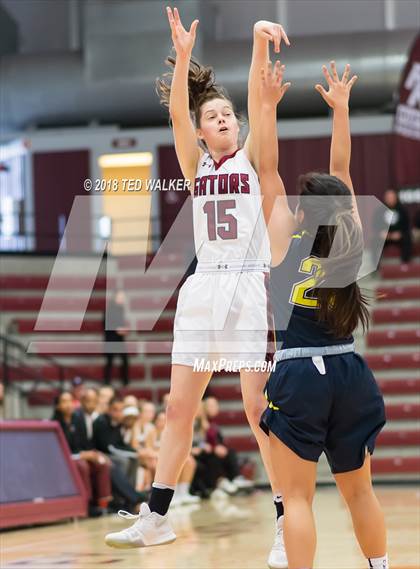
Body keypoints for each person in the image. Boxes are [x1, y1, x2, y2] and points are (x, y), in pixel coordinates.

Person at [105, 12, 289, 564]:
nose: (224, 118)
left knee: (257, 410)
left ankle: (286, 517)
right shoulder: (194, 165)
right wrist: (182, 54)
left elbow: (260, 98)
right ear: (203, 129)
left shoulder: (254, 160)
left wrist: (258, 40)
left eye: (228, 113)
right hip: (202, 289)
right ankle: (157, 515)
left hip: (247, 287)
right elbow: (176, 118)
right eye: (213, 115)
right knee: (177, 406)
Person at [257, 59, 388, 569]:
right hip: (350, 370)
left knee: (298, 500)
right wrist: (342, 111)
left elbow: (266, 168)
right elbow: (342, 172)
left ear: (303, 210)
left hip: (299, 372)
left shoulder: (285, 236)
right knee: (360, 493)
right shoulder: (351, 234)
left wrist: (267, 107)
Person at [52, 391, 112, 517]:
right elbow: (59, 451)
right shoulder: (55, 423)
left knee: (101, 464)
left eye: (70, 401)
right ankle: (87, 504)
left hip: (80, 456)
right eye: (64, 401)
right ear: (58, 406)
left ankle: (103, 505)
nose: (68, 405)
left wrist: (93, 453)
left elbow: (85, 444)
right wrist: (81, 455)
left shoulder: (78, 419)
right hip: (63, 460)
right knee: (82, 465)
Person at [204, 396, 254, 493]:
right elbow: (201, 440)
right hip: (205, 452)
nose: (214, 407)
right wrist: (214, 448)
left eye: (215, 405)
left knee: (230, 452)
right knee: (214, 457)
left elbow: (218, 440)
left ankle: (236, 478)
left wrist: (219, 447)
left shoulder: (214, 423)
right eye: (211, 405)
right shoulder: (201, 422)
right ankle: (220, 482)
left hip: (213, 451)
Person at [374, 188, 412, 264]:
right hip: (385, 237)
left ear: (396, 198)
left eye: (392, 197)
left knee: (407, 238)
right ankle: (376, 266)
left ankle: (405, 263)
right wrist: (381, 233)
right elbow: (375, 225)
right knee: (374, 241)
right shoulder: (380, 210)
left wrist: (400, 233)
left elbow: (407, 226)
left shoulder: (402, 210)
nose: (390, 199)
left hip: (398, 235)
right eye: (388, 198)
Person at [103, 290, 130, 386]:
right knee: (110, 362)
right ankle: (107, 382)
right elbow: (106, 324)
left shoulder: (120, 309)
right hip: (111, 339)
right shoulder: (109, 310)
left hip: (119, 339)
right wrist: (117, 329)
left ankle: (125, 381)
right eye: (120, 297)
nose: (122, 300)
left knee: (124, 360)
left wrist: (123, 329)